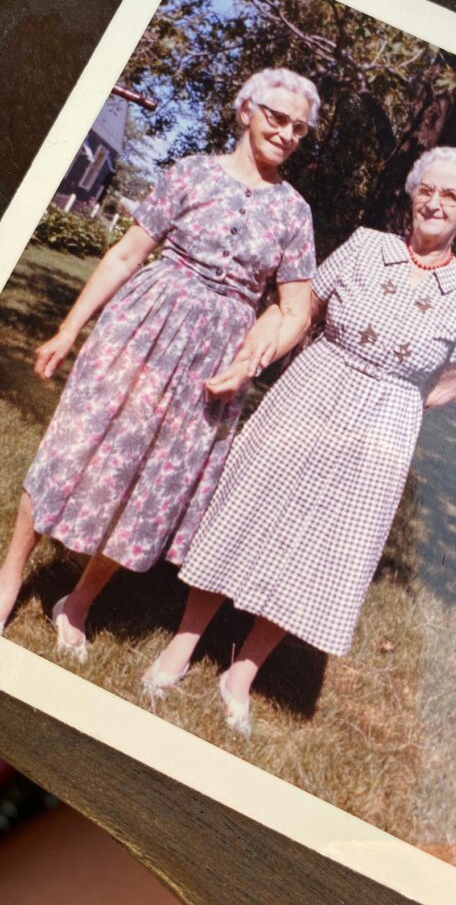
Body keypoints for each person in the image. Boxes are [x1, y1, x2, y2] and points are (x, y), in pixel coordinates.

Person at [143, 146, 456, 734]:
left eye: (452, 197)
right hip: (315, 385)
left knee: (324, 540)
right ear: (412, 197)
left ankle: (242, 674)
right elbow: (302, 310)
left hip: (384, 420)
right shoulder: (364, 246)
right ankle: (183, 644)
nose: (435, 203)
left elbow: (455, 380)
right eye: (427, 190)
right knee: (250, 504)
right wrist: (259, 357)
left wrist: (398, 399)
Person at [0, 67, 320, 667]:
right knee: (78, 443)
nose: (286, 133)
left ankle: (79, 600)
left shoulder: (294, 213)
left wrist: (252, 358)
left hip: (217, 358)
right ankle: (12, 573)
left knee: (154, 481)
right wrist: (69, 328)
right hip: (143, 326)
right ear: (247, 110)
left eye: (299, 128)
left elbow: (294, 309)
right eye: (277, 117)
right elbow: (127, 253)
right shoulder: (192, 172)